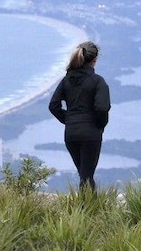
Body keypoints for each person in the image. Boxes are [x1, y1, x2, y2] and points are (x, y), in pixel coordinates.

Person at [48, 41, 111, 192]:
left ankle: (88, 210)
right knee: (87, 176)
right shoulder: (98, 82)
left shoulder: (67, 80)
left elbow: (53, 106)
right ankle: (87, 211)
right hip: (91, 134)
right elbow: (102, 108)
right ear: (94, 60)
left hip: (71, 134)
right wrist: (99, 125)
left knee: (85, 174)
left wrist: (69, 120)